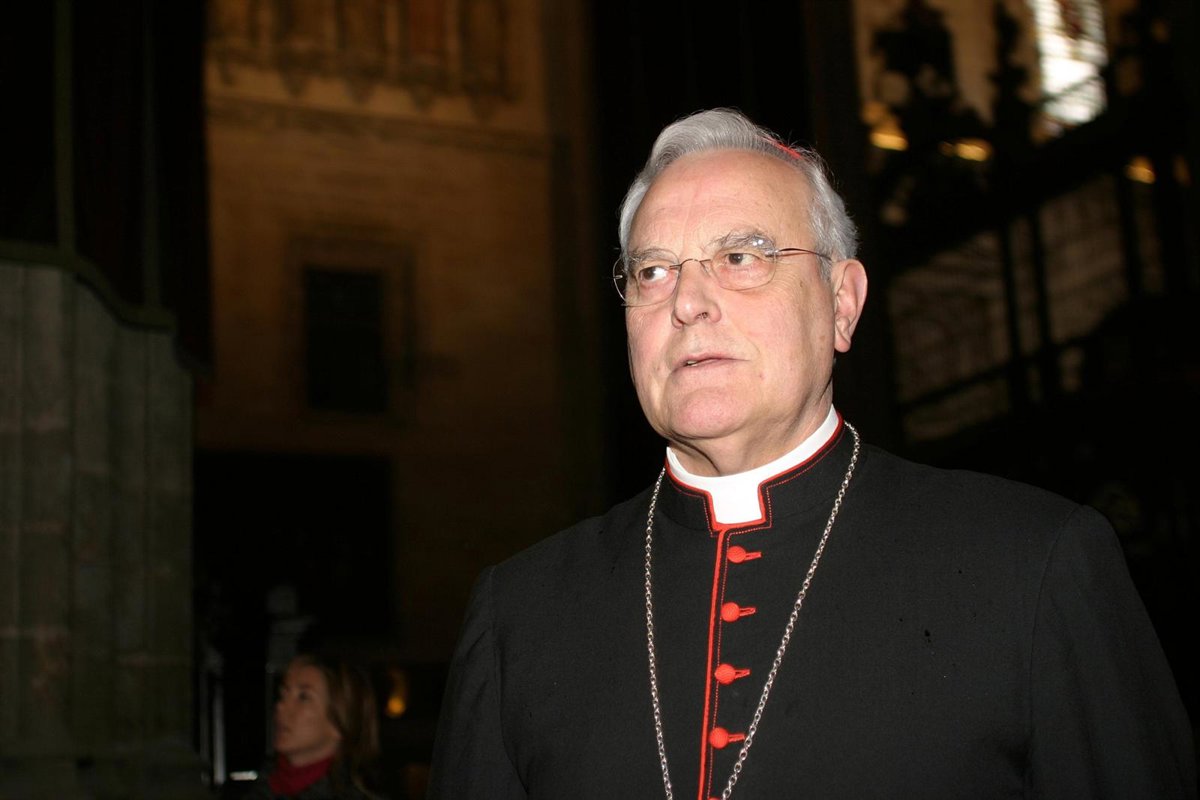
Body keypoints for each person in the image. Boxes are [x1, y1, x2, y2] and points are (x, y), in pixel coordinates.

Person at [428, 109, 1196, 799]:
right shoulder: (519, 615)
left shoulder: (1035, 563)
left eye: (743, 256)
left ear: (842, 304)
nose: (686, 303)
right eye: (653, 271)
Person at [242, 653, 381, 800]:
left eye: (303, 697)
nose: (281, 706)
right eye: (283, 695)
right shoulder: (258, 788)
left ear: (339, 721)